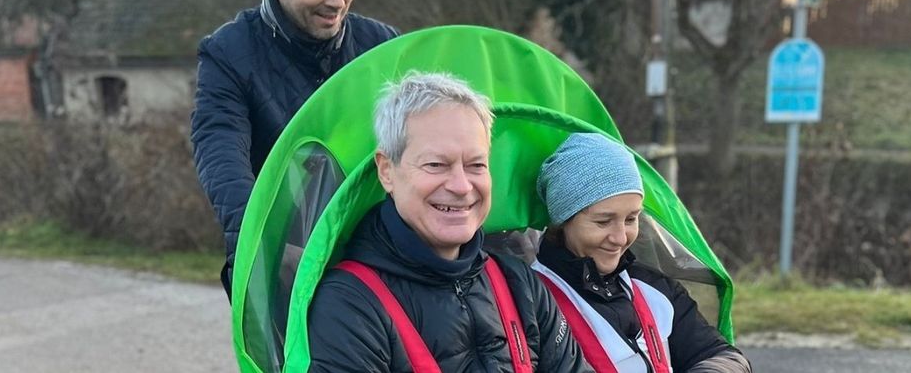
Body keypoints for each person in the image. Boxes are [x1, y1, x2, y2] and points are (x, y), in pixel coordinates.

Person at [307, 72, 592, 372]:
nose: (462, 186)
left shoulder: (519, 284)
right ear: (387, 171)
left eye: (476, 165)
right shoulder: (350, 304)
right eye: (436, 165)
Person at [190, 0, 399, 296]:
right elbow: (220, 150)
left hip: (382, 261)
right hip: (287, 267)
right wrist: (261, 246)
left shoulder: (384, 47)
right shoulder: (227, 54)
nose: (337, 0)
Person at [532, 133, 751, 373]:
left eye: (631, 219)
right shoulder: (531, 298)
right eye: (604, 222)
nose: (620, 238)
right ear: (562, 220)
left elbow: (722, 355)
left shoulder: (653, 288)